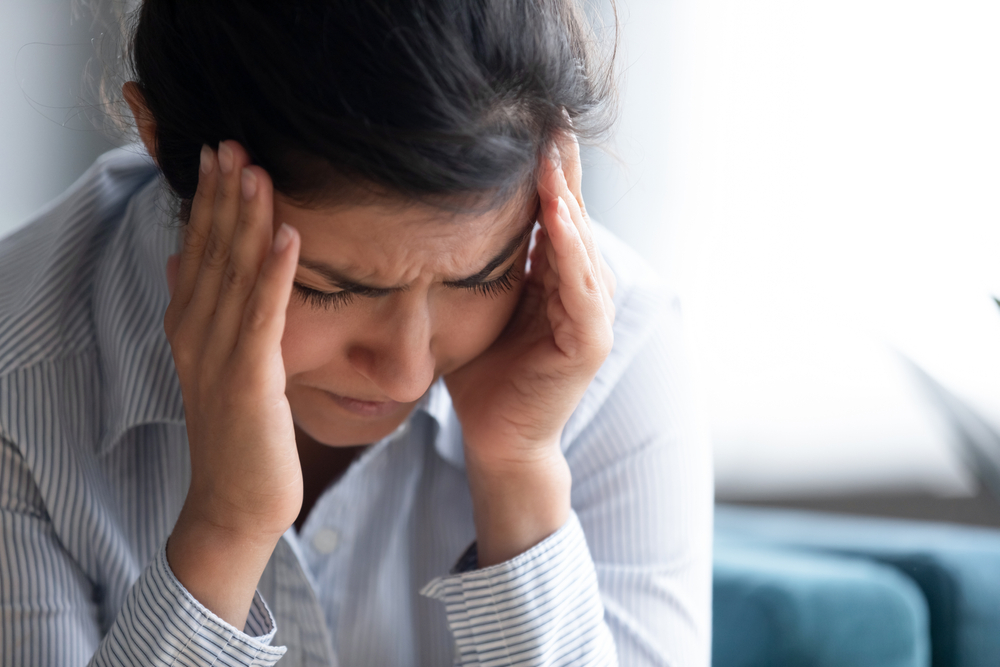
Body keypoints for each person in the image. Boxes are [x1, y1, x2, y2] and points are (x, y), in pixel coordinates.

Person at [0, 0, 712, 664]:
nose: (405, 373)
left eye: (480, 278)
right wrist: (223, 531)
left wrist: (520, 471)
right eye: (329, 288)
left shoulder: (616, 350)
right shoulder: (22, 377)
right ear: (163, 145)